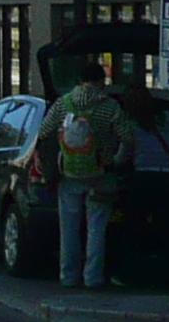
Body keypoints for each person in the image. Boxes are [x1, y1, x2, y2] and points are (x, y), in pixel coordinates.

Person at [37, 56, 137, 289]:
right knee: (97, 229)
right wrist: (115, 161)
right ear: (101, 81)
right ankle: (93, 277)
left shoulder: (63, 104)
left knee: (69, 229)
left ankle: (68, 276)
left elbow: (44, 132)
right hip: (101, 175)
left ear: (80, 81)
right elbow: (128, 138)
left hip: (69, 174)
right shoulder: (109, 106)